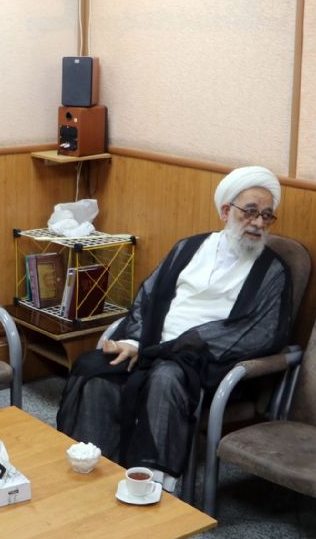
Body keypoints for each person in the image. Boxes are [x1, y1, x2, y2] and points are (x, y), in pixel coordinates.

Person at [56, 165, 294, 491]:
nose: (258, 223)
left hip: (208, 364)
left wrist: (170, 348)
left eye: (267, 216)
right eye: (250, 212)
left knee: (166, 376)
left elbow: (262, 333)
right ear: (226, 211)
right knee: (93, 367)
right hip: (153, 347)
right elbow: (148, 298)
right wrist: (133, 341)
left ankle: (153, 485)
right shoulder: (189, 248)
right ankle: (94, 469)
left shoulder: (272, 271)